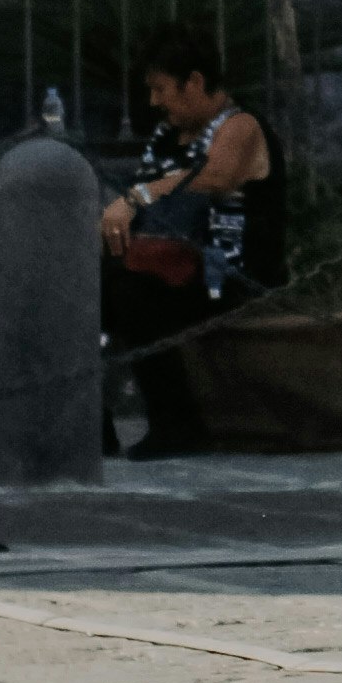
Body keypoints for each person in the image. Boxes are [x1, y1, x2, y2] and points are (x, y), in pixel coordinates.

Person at [101, 36, 274, 457]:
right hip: (175, 267)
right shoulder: (168, 137)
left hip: (229, 276)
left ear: (194, 82)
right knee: (94, 282)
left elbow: (216, 177)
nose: (155, 100)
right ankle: (92, 424)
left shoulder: (240, 127)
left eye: (162, 89)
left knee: (133, 296)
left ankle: (178, 425)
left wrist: (135, 197)